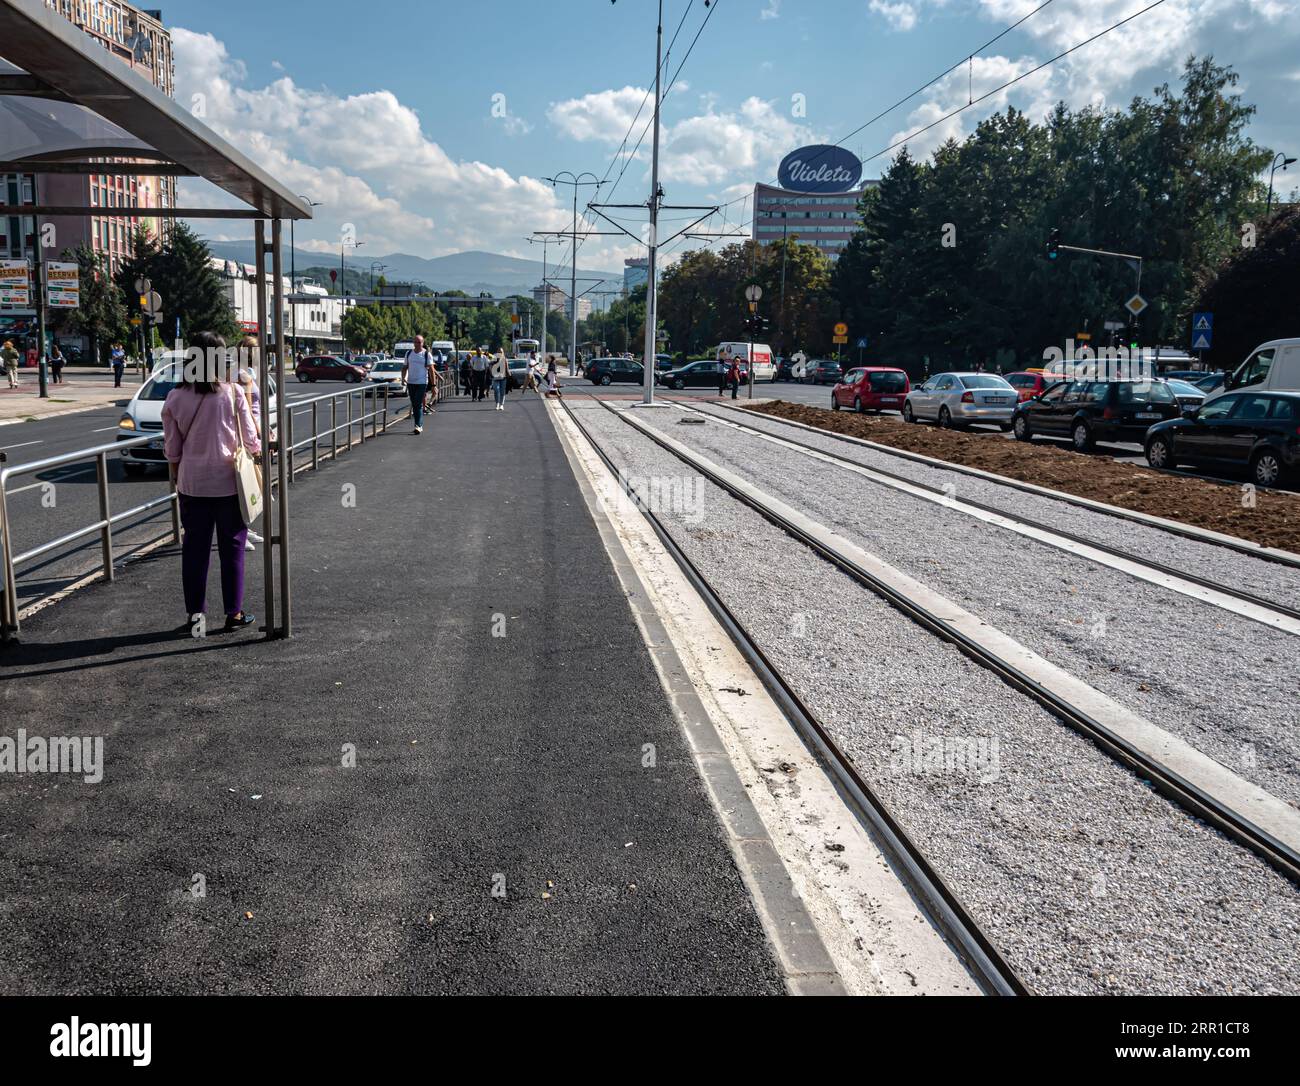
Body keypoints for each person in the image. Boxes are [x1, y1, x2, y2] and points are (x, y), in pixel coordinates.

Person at [162, 331, 261, 634]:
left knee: (194, 551)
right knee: (233, 548)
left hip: (192, 484)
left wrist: (180, 475)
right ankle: (233, 613)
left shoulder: (175, 396)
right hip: (229, 483)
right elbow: (251, 440)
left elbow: (172, 450)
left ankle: (196, 617)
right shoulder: (232, 393)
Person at [401, 333, 434, 434]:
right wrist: (403, 378)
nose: (417, 344)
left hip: (422, 382)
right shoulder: (409, 354)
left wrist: (433, 385)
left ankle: (418, 425)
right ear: (413, 343)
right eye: (416, 342)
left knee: (418, 403)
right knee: (414, 404)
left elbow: (432, 370)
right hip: (411, 382)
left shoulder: (426, 354)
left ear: (422, 343)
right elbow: (405, 367)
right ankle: (419, 424)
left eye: (419, 342)